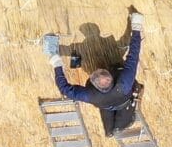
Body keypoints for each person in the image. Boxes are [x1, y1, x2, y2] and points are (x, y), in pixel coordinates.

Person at [43, 8, 145, 137]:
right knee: (113, 129)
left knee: (110, 129)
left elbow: (65, 89)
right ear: (110, 76)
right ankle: (117, 127)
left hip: (108, 104)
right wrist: (136, 27)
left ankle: (115, 128)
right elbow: (133, 55)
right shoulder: (124, 82)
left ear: (94, 84)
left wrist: (57, 64)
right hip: (122, 100)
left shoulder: (90, 95)